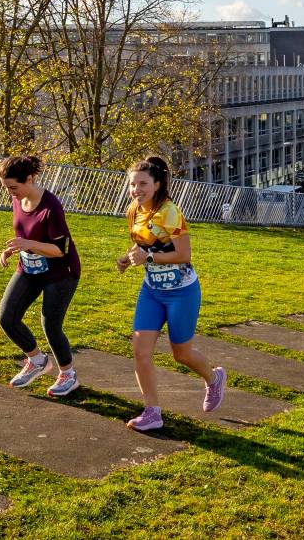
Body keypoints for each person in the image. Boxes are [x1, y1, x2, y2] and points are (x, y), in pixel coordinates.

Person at [116, 156, 227, 432]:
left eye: (143, 184)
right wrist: (128, 259)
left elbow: (183, 254)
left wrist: (148, 258)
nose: (136, 189)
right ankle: (152, 412)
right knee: (140, 351)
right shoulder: (133, 210)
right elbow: (143, 245)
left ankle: (214, 379)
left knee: (181, 354)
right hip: (152, 291)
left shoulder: (170, 211)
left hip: (181, 292)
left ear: (157, 184)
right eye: (132, 184)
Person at [0, 155, 83, 396]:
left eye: (13, 187)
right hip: (30, 268)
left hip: (61, 272)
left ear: (30, 179)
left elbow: (60, 250)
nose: (10, 193)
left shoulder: (51, 206)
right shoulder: (18, 200)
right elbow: (25, 233)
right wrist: (13, 248)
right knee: (7, 317)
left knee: (51, 325)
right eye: (6, 188)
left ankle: (68, 374)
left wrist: (29, 244)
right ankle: (36, 360)